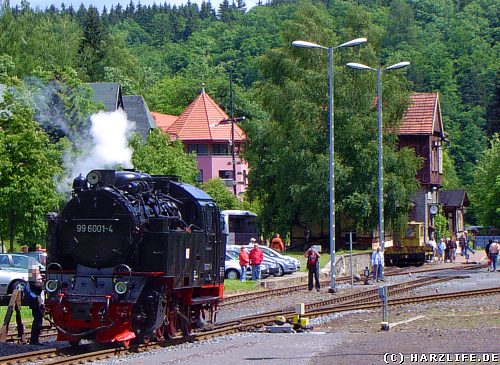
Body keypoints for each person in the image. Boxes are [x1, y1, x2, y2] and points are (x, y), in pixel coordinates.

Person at [24, 263, 44, 346]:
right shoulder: (33, 280)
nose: (39, 271)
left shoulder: (33, 279)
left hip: (36, 303)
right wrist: (43, 283)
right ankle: (34, 340)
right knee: (37, 321)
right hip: (36, 303)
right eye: (37, 270)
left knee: (38, 321)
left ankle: (35, 339)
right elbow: (40, 287)